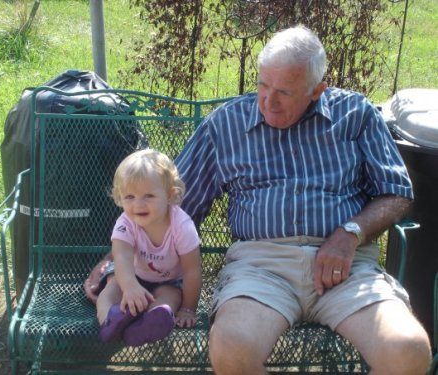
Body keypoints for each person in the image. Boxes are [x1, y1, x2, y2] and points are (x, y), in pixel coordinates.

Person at [85, 25, 431, 373]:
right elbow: (170, 204)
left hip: (346, 268)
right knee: (232, 348)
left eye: (283, 91)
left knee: (409, 350)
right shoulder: (226, 126)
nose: (268, 101)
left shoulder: (355, 115)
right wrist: (116, 263)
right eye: (263, 85)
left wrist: (350, 233)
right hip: (260, 268)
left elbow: (396, 193)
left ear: (317, 91)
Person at [94, 149, 202, 347]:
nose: (138, 205)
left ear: (170, 195)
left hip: (167, 281)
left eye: (148, 196)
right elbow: (122, 258)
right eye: (130, 197)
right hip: (129, 275)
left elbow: (192, 271)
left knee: (170, 297)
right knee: (110, 290)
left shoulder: (182, 226)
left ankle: (149, 323)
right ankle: (110, 320)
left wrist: (188, 309)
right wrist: (130, 286)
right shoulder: (126, 222)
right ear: (120, 197)